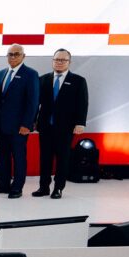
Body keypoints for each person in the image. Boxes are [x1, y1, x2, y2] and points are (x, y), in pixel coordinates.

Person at [34, 48, 88, 199]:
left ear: (69, 62)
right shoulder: (43, 79)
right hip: (45, 126)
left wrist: (80, 123)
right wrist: (32, 121)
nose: (59, 62)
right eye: (57, 59)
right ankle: (43, 187)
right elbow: (35, 103)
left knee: (62, 159)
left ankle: (58, 188)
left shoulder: (78, 81)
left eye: (63, 60)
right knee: (45, 158)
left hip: (66, 127)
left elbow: (82, 103)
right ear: (53, 61)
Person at [0, 44, 40, 198]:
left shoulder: (30, 74)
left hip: (19, 126)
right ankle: (3, 184)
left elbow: (33, 102)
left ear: (23, 56)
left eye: (16, 54)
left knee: (19, 157)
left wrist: (27, 124)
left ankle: (17, 187)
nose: (13, 57)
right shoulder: (0, 74)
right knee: (2, 156)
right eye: (10, 54)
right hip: (0, 125)